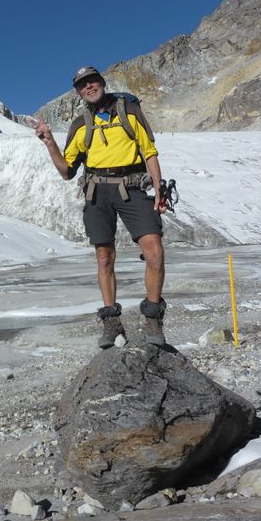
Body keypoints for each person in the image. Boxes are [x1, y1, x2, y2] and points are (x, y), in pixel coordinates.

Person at [33, 66, 167, 349]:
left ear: (102, 83)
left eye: (92, 81)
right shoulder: (80, 125)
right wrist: (49, 143)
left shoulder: (129, 112)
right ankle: (111, 323)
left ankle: (153, 318)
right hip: (97, 191)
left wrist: (158, 189)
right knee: (104, 257)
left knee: (154, 250)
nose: (89, 87)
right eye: (82, 85)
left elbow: (149, 152)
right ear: (79, 92)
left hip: (132, 187)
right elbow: (67, 171)